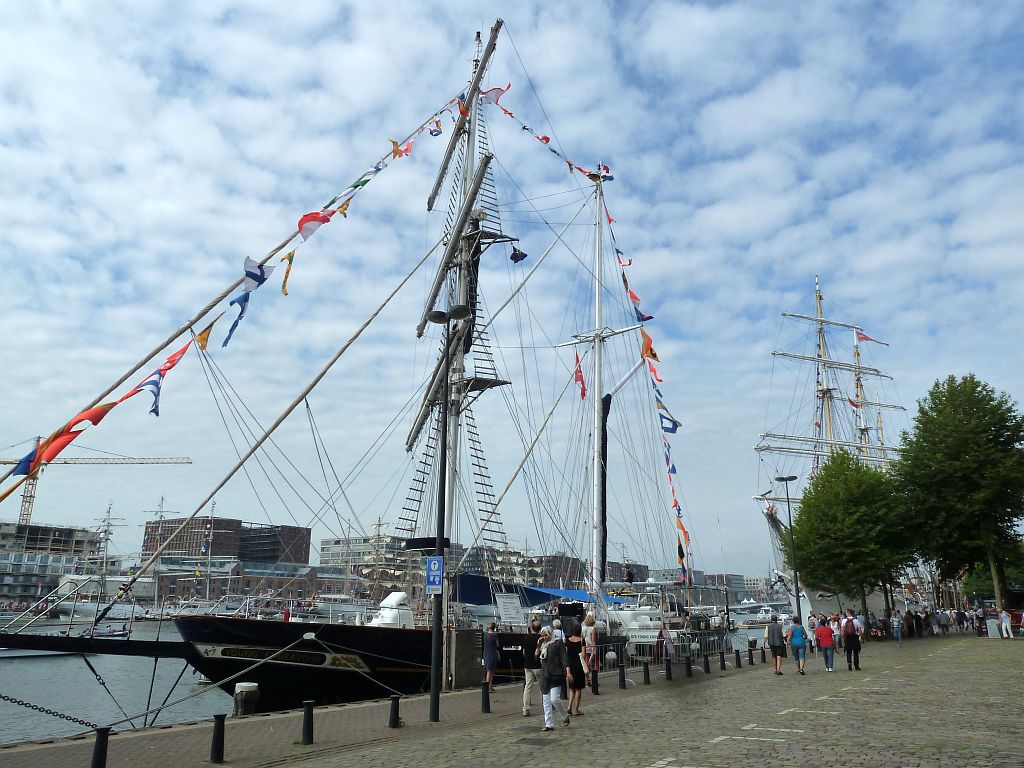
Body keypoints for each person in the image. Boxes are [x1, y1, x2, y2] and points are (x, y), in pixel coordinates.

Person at [538, 627, 571, 731]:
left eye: (546, 635)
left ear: (550, 633)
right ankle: (549, 724)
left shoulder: (558, 643)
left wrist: (568, 670)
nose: (544, 637)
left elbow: (564, 657)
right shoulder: (543, 645)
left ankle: (564, 715)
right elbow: (536, 657)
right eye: (542, 636)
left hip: (556, 674)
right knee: (546, 700)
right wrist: (537, 645)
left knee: (554, 699)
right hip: (545, 675)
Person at [565, 623, 588, 715]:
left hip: (570, 666)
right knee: (578, 689)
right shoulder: (582, 641)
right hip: (579, 666)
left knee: (571, 688)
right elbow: (583, 655)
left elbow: (566, 654)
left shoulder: (567, 640)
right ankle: (576, 709)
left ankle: (569, 706)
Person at [521, 619, 543, 717]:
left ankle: (525, 709)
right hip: (538, 665)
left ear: (531, 628)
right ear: (540, 628)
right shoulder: (541, 638)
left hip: (527, 665)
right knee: (542, 687)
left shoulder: (526, 638)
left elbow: (524, 652)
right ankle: (545, 706)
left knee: (527, 688)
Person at [482, 621, 501, 693]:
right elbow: (497, 645)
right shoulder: (495, 635)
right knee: (491, 671)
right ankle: (488, 687)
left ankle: (489, 686)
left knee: (489, 670)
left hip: (486, 653)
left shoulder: (485, 634)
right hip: (492, 653)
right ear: (494, 628)